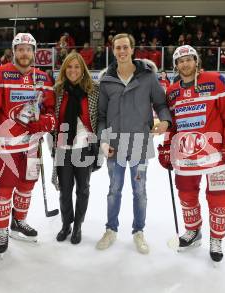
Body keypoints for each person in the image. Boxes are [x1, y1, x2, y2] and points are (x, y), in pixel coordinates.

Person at [157, 45, 225, 263]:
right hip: (186, 154)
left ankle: (217, 239)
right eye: (180, 61)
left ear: (196, 60)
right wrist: (167, 147)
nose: (185, 64)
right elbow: (171, 125)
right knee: (186, 194)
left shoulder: (215, 80)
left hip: (217, 154)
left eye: (189, 59)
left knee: (219, 198)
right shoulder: (172, 91)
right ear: (175, 65)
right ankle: (193, 231)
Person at [96, 33, 172, 254]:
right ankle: (111, 229)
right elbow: (101, 116)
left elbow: (160, 103)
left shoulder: (147, 77)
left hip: (140, 142)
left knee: (139, 190)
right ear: (113, 50)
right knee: (114, 190)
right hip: (114, 145)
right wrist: (103, 140)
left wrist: (165, 120)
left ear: (132, 49)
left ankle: (138, 231)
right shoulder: (107, 80)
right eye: (117, 48)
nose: (121, 51)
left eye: (125, 47)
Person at [0, 33, 56, 255]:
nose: (25, 53)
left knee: (27, 186)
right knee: (4, 189)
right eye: (20, 49)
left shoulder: (43, 78)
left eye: (29, 49)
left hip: (32, 145)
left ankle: (19, 221)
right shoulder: (0, 73)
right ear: (14, 51)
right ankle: (1, 230)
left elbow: (51, 110)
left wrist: (45, 122)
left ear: (34, 52)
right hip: (6, 145)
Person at [50, 52, 100, 244]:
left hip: (84, 147)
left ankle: (78, 225)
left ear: (83, 69)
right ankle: (66, 224)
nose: (73, 70)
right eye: (69, 67)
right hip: (63, 147)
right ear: (64, 70)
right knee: (64, 190)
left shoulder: (93, 90)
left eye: (76, 67)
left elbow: (99, 117)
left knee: (83, 189)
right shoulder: (58, 91)